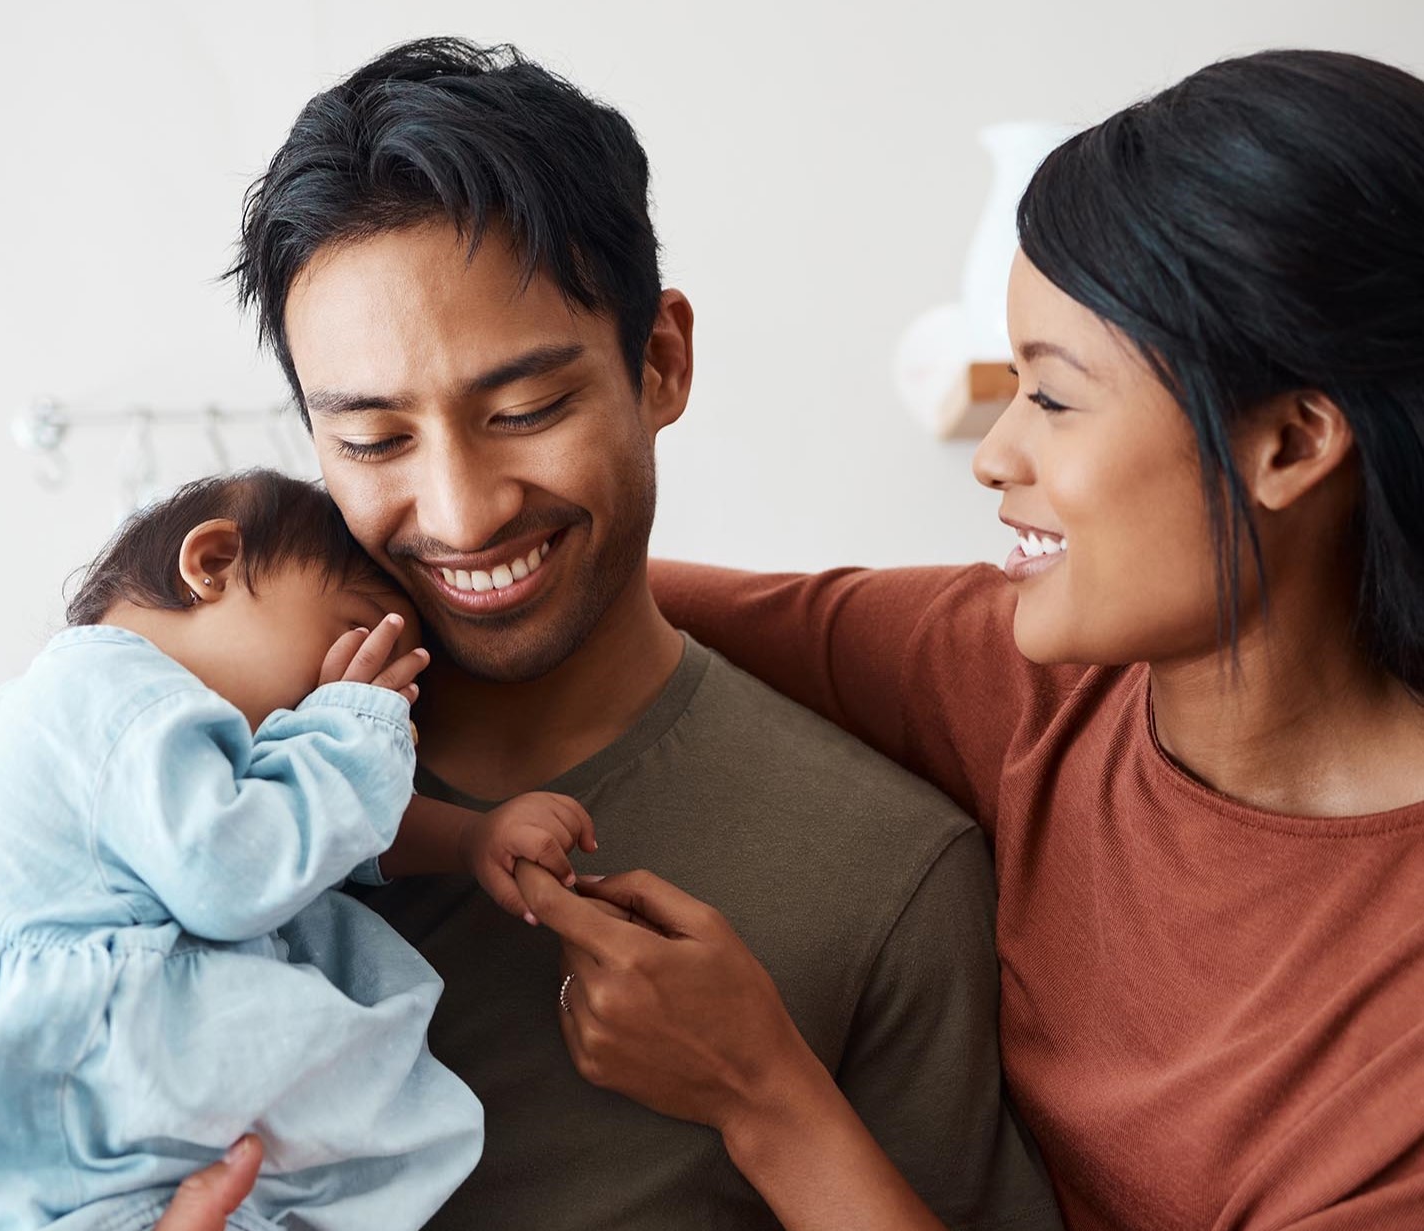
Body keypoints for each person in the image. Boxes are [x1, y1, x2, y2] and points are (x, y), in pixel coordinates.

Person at [0, 36, 1060, 1231]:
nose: (461, 511)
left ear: (659, 361)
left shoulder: (878, 875)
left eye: (525, 409)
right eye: (372, 441)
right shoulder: (128, 784)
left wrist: (765, 1098)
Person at [513, 48, 1424, 1230]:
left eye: (1050, 395)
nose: (995, 457)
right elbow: (606, 598)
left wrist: (764, 1098)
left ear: (1293, 444)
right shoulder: (1029, 679)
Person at [0, 470, 612, 1230]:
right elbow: (238, 867)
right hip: (54, 1139)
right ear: (214, 563)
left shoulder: (125, 731)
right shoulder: (112, 695)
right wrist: (347, 726)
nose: (355, 682)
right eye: (355, 639)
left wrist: (470, 835)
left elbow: (317, 829)